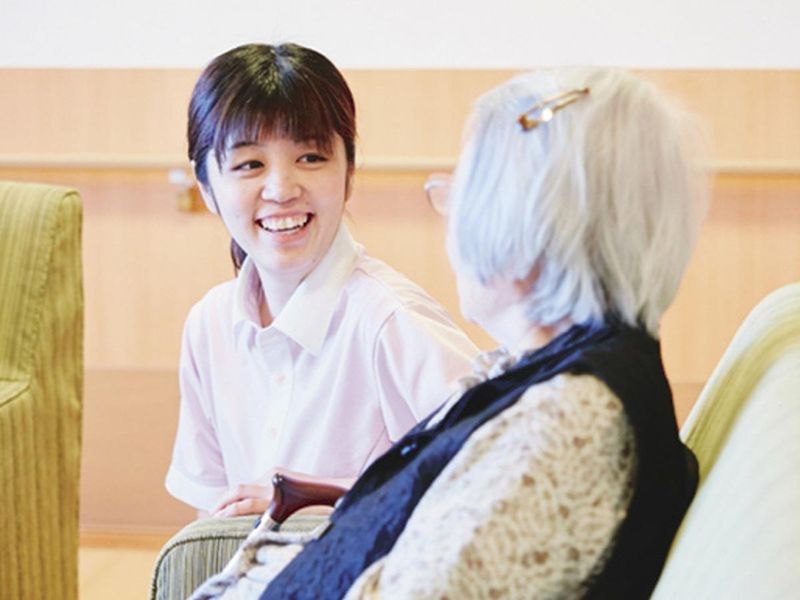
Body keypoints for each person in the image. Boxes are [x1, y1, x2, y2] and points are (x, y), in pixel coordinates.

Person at [191, 66, 708, 599]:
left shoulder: (569, 419)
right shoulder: (537, 373)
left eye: (463, 191)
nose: (450, 218)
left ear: (528, 226)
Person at [166, 43, 478, 519]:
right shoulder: (208, 323)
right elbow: (211, 515)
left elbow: (496, 466)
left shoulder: (391, 320)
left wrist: (314, 496)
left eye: (310, 157)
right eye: (250, 164)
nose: (281, 189)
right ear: (206, 185)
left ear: (349, 172)